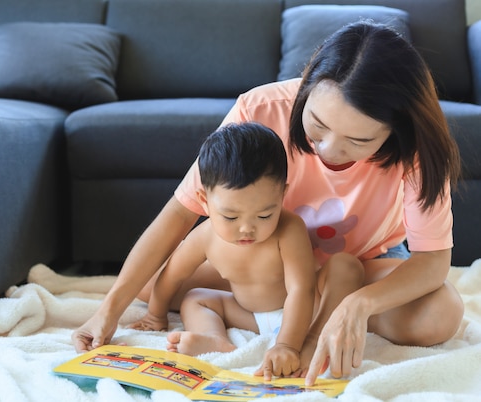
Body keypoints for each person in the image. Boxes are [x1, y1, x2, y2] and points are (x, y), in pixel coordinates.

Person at [72, 21, 464, 386]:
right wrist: (109, 310)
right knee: (151, 283)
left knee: (440, 314)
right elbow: (182, 210)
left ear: (396, 130)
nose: (329, 149)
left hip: (361, 266)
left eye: (358, 141)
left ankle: (310, 319)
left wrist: (358, 305)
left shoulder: (418, 149)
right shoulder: (261, 108)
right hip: (266, 259)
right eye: (318, 126)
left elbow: (431, 262)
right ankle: (285, 315)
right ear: (306, 88)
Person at [129, 122, 316, 379]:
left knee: (336, 277)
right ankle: (213, 338)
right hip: (249, 316)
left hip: (296, 314)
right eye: (230, 217)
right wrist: (155, 314)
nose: (246, 229)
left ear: (282, 195)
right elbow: (173, 275)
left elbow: (301, 289)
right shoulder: (205, 237)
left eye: (264, 215)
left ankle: (295, 341)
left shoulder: (290, 228)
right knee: (195, 298)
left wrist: (287, 344)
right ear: (204, 201)